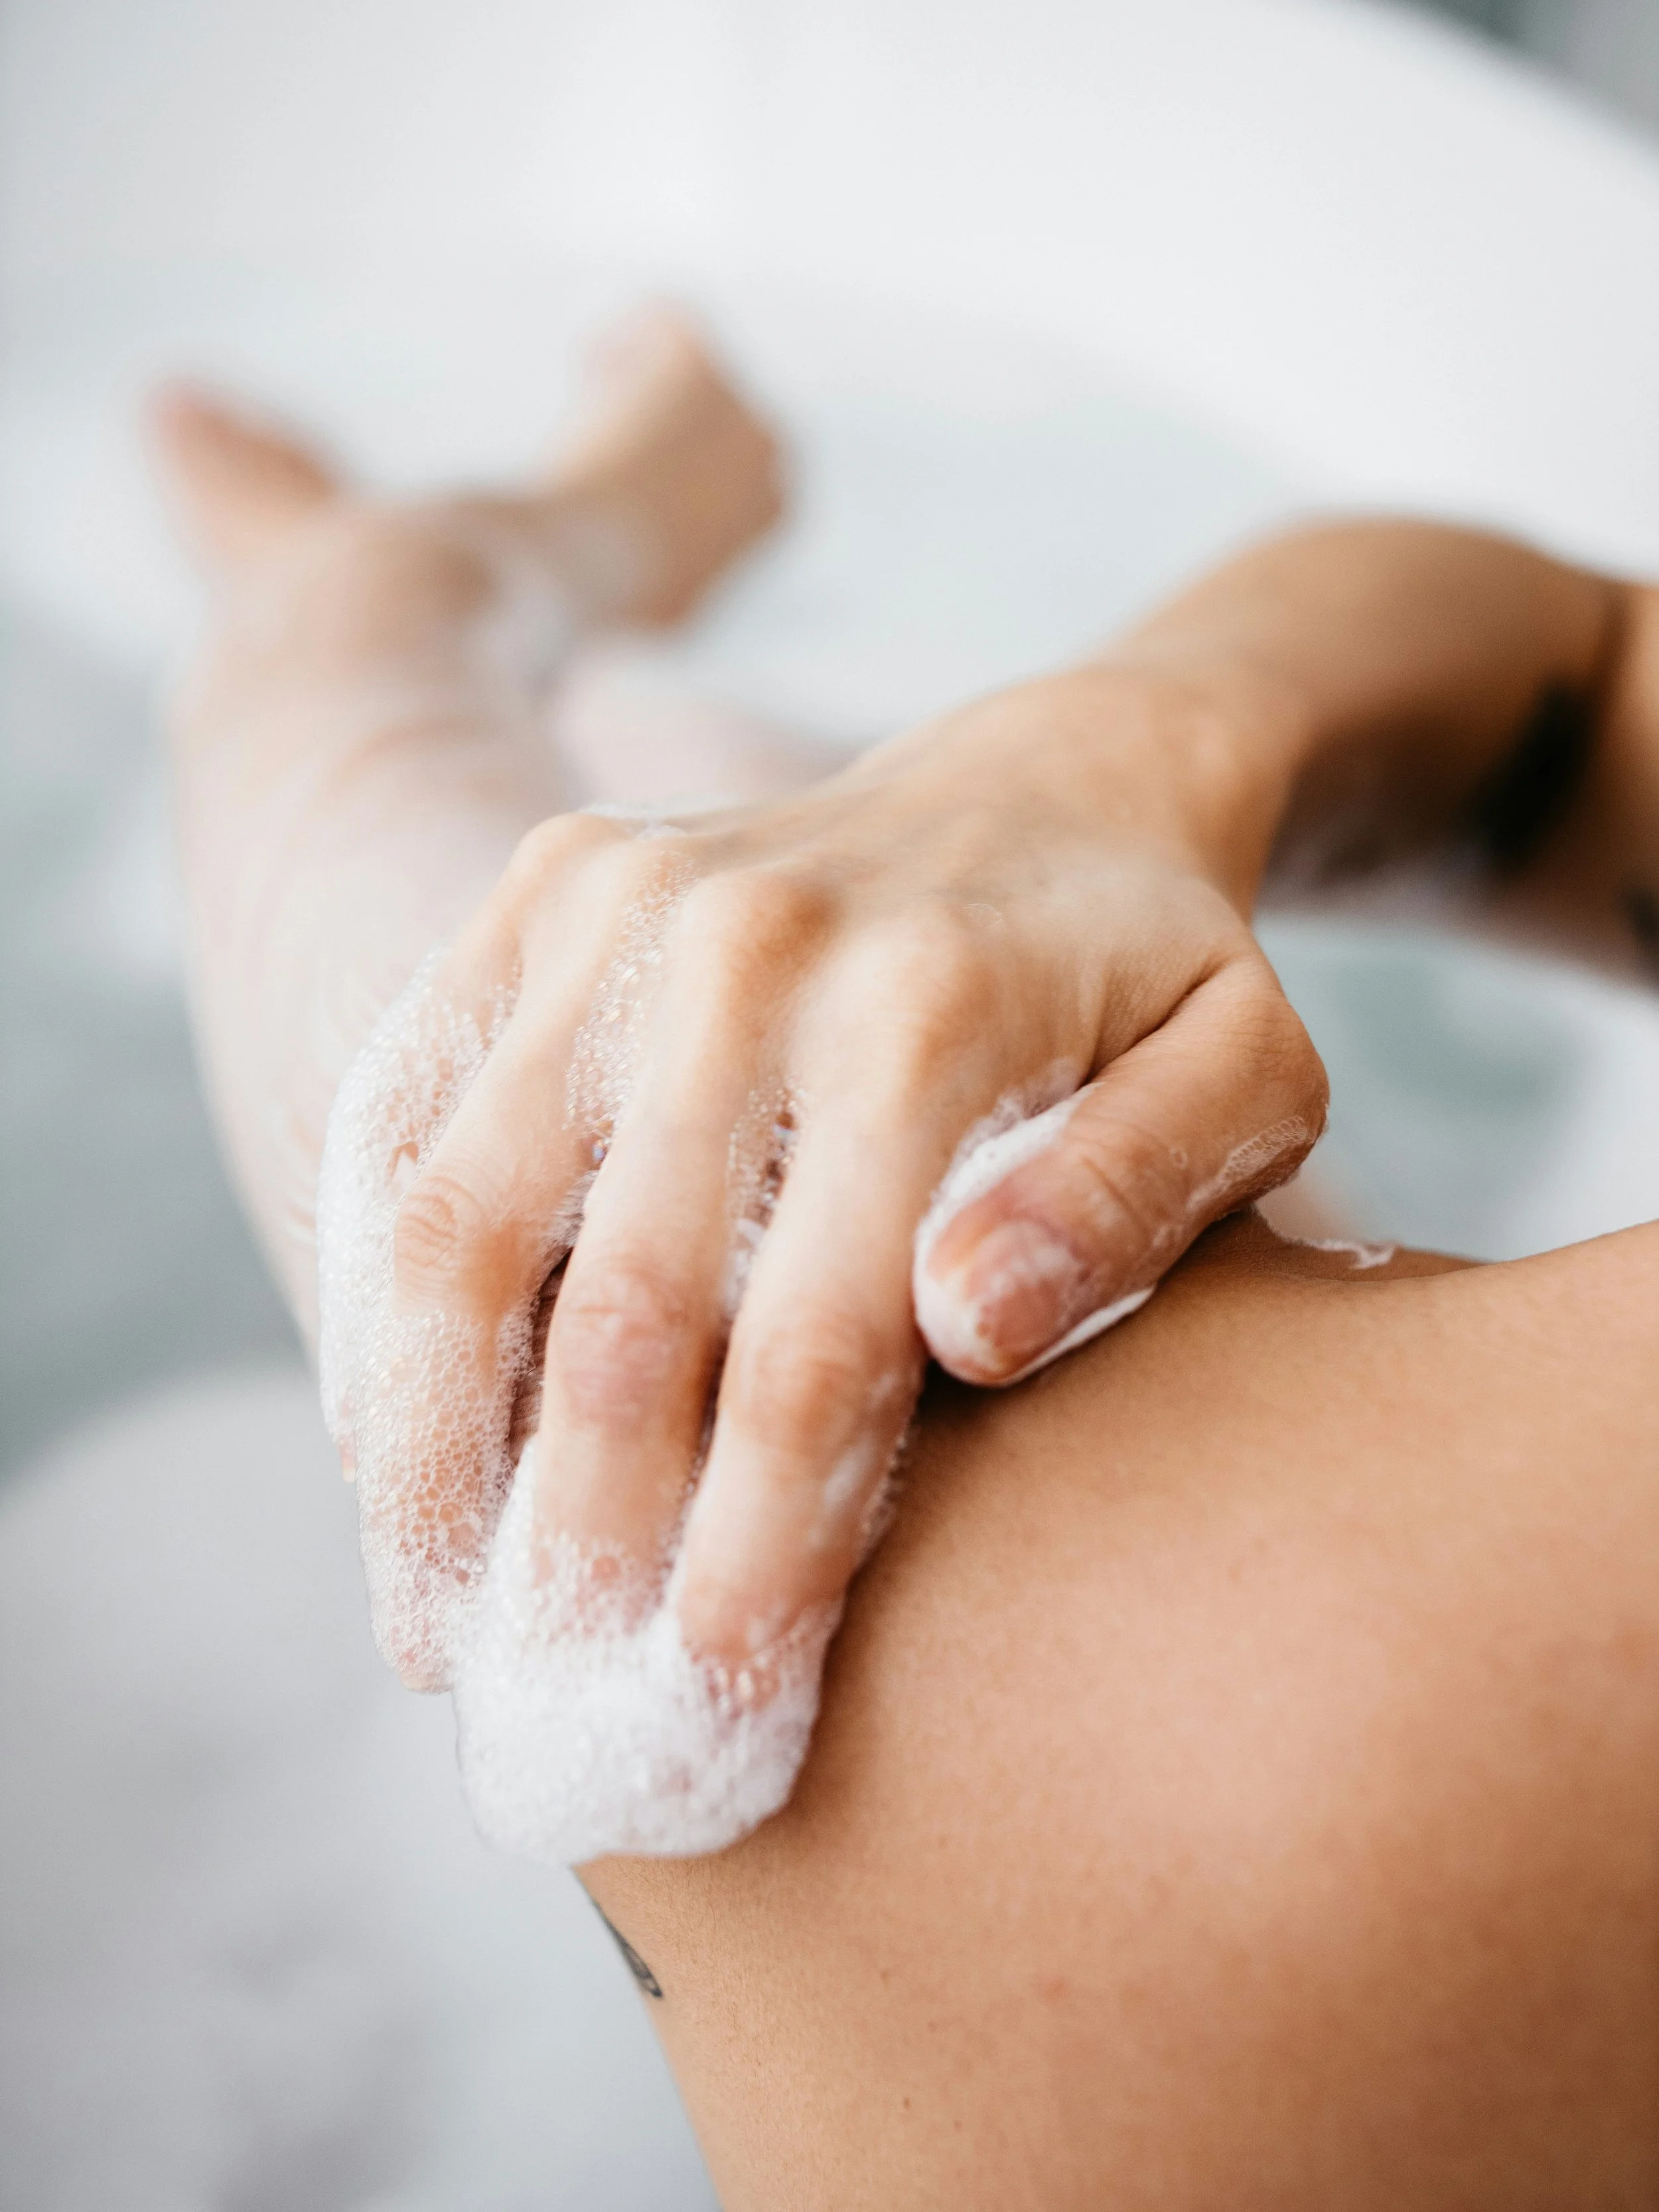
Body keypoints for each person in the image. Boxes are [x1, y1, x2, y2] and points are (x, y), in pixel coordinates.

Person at [153, 312, 1659, 2207]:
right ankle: (635, 594)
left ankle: (463, 558)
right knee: (779, 949)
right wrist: (1100, 756)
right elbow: (1598, 670)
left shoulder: (1317, 1764)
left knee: (354, 730)